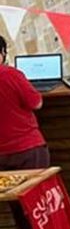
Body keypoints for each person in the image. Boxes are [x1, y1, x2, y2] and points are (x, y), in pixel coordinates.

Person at [0, 34, 48, 171]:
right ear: (3, 52)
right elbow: (36, 103)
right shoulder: (10, 74)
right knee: (35, 190)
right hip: (26, 148)